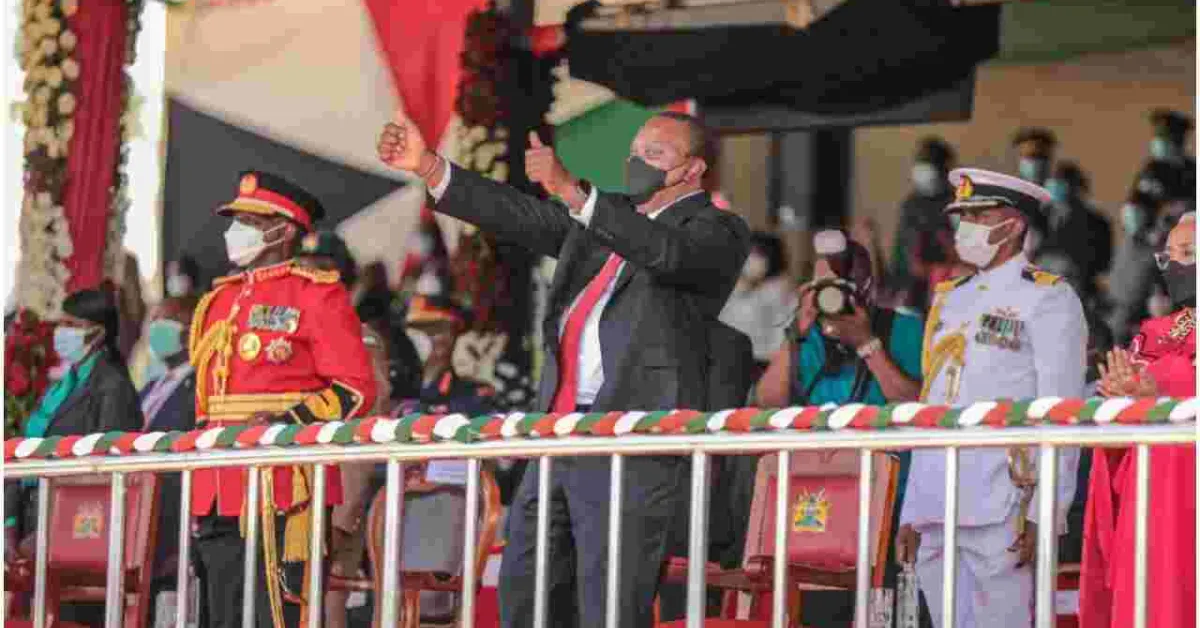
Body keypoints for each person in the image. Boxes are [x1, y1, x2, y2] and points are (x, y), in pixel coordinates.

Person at [378, 107, 750, 627]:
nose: (637, 162)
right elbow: (519, 215)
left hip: (628, 437)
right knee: (527, 591)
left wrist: (576, 194)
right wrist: (429, 166)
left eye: (655, 153)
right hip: (558, 429)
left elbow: (668, 254)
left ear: (693, 169)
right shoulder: (604, 219)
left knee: (608, 603)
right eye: (634, 152)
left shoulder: (717, 230)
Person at [896, 168, 1085, 628]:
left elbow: (1061, 411)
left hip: (1003, 496)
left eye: (979, 216)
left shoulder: (1048, 298)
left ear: (1013, 225)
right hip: (937, 495)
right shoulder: (950, 298)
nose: (966, 228)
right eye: (963, 217)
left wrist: (1047, 511)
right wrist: (912, 508)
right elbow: (933, 403)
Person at [188, 171, 376, 628]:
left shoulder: (316, 293)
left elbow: (354, 388)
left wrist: (283, 426)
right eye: (236, 221)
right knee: (221, 611)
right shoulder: (219, 299)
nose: (236, 232)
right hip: (217, 482)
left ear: (284, 229)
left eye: (251, 222)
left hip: (284, 482)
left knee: (272, 611)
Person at [756, 229, 924, 627]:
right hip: (820, 503)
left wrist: (867, 343)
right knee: (820, 612)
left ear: (865, 287)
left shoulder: (903, 329)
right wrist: (795, 334)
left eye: (840, 285)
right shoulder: (807, 337)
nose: (831, 296)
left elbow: (918, 405)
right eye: (822, 286)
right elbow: (767, 401)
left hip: (892, 502)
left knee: (884, 612)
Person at [1080, 212, 1195, 628]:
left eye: (1189, 253)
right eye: (1170, 256)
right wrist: (1118, 406)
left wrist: (1159, 400)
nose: (1176, 265)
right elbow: (1115, 438)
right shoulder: (1154, 335)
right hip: (1149, 505)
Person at [4, 288, 144, 625]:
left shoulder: (112, 387)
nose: (61, 332)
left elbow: (106, 470)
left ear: (98, 332)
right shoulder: (62, 385)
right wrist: (9, 524)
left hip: (78, 527)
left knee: (70, 618)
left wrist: (53, 528)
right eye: (61, 323)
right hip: (32, 516)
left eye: (72, 324)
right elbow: (23, 451)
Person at [138, 296, 200, 618]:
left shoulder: (199, 386)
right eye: (153, 319)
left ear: (190, 331)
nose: (155, 328)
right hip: (142, 510)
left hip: (173, 513)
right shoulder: (151, 386)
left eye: (166, 320)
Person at [1033, 161, 1113, 306]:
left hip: (1075, 293)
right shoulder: (1040, 216)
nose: (1054, 188)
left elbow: (1101, 265)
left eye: (1061, 183)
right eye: (1052, 183)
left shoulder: (1094, 223)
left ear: (1074, 187)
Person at [891, 136, 957, 299]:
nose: (924, 168)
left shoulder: (957, 204)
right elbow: (903, 258)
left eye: (930, 161)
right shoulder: (911, 205)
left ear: (945, 168)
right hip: (912, 290)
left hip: (948, 286)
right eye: (921, 161)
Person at [719, 231, 796, 371]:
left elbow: (784, 334)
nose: (751, 259)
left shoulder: (778, 291)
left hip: (763, 365)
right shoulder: (732, 288)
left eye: (758, 254)